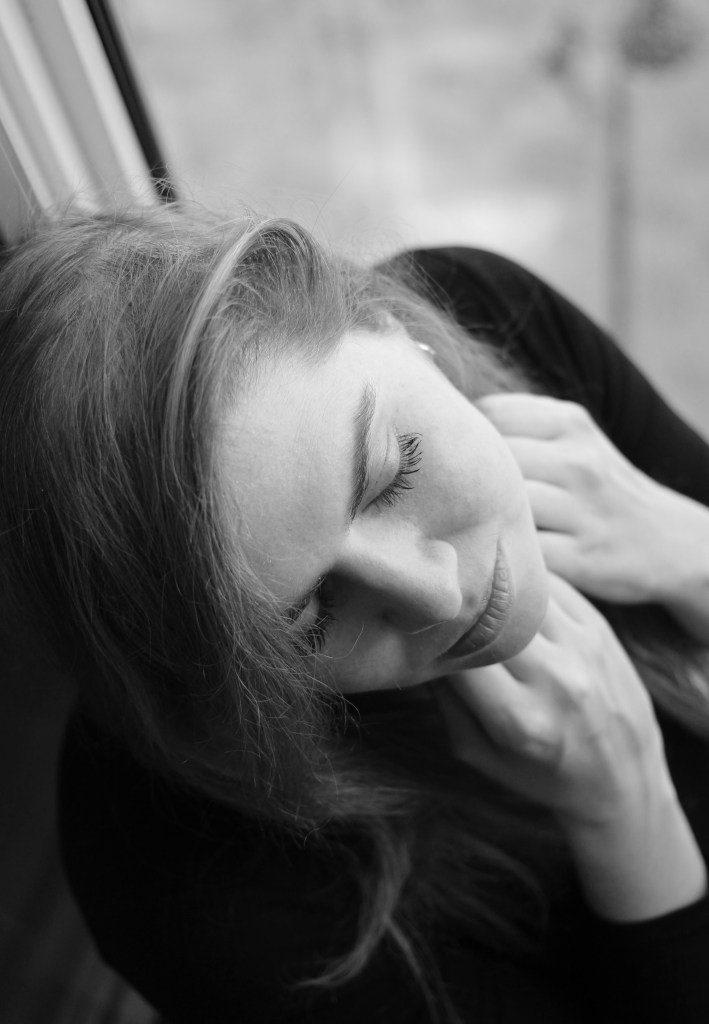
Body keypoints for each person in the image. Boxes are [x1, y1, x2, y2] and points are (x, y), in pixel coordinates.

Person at [1, 206, 709, 1024]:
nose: (439, 597)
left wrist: (692, 550)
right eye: (307, 618)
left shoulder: (495, 312)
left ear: (394, 328)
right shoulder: (196, 898)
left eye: (391, 473)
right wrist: (623, 808)